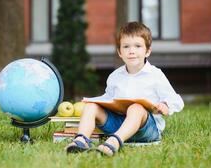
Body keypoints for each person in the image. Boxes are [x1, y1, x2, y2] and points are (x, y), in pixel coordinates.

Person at [65, 22, 184, 156]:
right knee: (91, 106)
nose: (131, 51)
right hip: (118, 124)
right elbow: (109, 99)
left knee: (136, 107)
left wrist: (165, 106)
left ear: (147, 51)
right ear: (120, 52)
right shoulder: (115, 76)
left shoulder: (155, 75)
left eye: (138, 46)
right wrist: (96, 101)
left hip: (145, 129)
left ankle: (114, 143)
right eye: (126, 46)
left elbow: (176, 100)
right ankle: (81, 140)